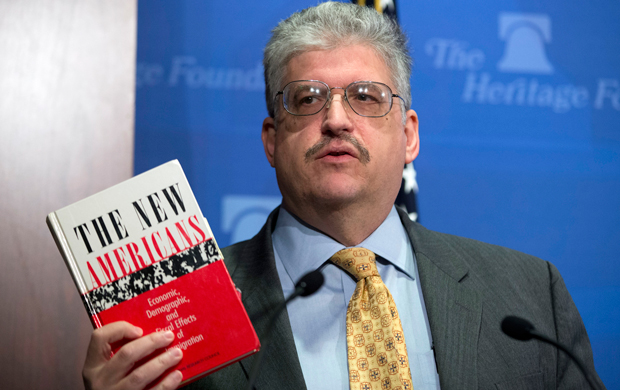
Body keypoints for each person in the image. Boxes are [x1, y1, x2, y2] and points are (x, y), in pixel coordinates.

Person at [82, 2, 605, 390]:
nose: (335, 119)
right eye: (307, 99)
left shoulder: (532, 297)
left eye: (365, 97)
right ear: (270, 139)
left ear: (409, 136)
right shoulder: (177, 311)